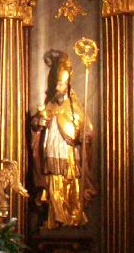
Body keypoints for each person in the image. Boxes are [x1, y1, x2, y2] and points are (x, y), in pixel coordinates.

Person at [30, 52, 92, 228]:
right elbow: (37, 123)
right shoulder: (50, 105)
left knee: (71, 183)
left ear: (67, 86)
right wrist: (39, 122)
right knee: (53, 182)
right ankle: (55, 217)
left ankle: (72, 215)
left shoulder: (73, 106)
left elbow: (87, 128)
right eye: (56, 84)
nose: (57, 88)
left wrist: (83, 134)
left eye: (61, 84)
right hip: (51, 151)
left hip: (68, 152)